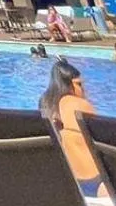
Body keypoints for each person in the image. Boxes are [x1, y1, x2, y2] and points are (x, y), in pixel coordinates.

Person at [39, 60, 100, 194]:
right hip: (93, 177)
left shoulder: (45, 103)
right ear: (67, 85)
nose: (83, 89)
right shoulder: (79, 104)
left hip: (62, 178)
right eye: (79, 84)